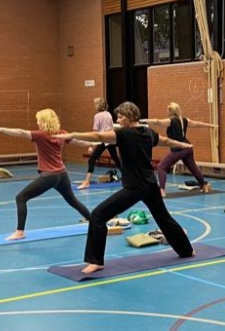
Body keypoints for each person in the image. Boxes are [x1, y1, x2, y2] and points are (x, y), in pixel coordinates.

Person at [58, 101, 195, 274]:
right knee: (164, 218)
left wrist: (73, 134)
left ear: (130, 117)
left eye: (121, 116)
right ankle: (186, 250)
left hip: (135, 188)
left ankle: (96, 261)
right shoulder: (148, 132)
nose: (118, 119)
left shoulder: (124, 134)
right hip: (150, 184)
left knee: (98, 216)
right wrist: (183, 145)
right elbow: (165, 141)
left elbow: (98, 137)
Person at [0, 109, 94, 241]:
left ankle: (20, 232)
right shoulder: (62, 134)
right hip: (62, 175)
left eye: (38, 120)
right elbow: (77, 141)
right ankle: (95, 224)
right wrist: (91, 143)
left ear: (44, 121)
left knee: (21, 198)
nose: (37, 122)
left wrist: (0, 129)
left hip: (49, 176)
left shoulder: (41, 135)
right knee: (73, 201)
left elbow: (20, 132)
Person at [144, 102, 215, 197]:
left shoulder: (171, 121)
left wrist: (144, 120)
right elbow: (197, 124)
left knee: (161, 166)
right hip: (188, 147)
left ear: (171, 111)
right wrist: (210, 126)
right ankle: (204, 186)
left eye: (167, 110)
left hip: (179, 148)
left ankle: (162, 190)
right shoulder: (184, 120)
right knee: (193, 168)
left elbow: (158, 121)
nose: (166, 111)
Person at [77, 97, 122, 190]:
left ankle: (87, 182)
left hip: (103, 139)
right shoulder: (109, 114)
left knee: (91, 160)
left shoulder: (97, 116)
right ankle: (127, 177)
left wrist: (91, 146)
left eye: (95, 104)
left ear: (98, 105)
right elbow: (111, 127)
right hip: (111, 138)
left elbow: (95, 133)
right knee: (116, 159)